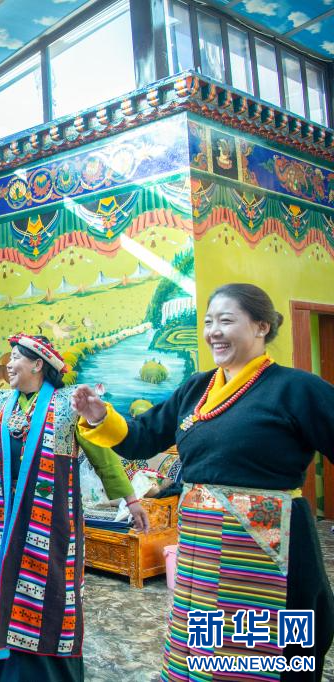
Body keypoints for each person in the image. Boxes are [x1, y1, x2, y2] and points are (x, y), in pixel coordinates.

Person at [71, 283, 334, 681]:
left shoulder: (296, 388)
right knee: (209, 646)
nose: (214, 332)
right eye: (209, 322)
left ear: (261, 326)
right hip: (204, 549)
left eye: (226, 321)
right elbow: (143, 436)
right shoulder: (197, 388)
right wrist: (98, 416)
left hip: (269, 543)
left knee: (282, 647)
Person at [0, 333, 148, 682]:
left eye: (16, 357)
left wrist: (131, 500)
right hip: (3, 517)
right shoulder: (1, 403)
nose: (9, 364)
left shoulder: (67, 406)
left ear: (37, 364)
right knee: (4, 586)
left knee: (52, 593)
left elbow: (103, 457)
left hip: (51, 521)